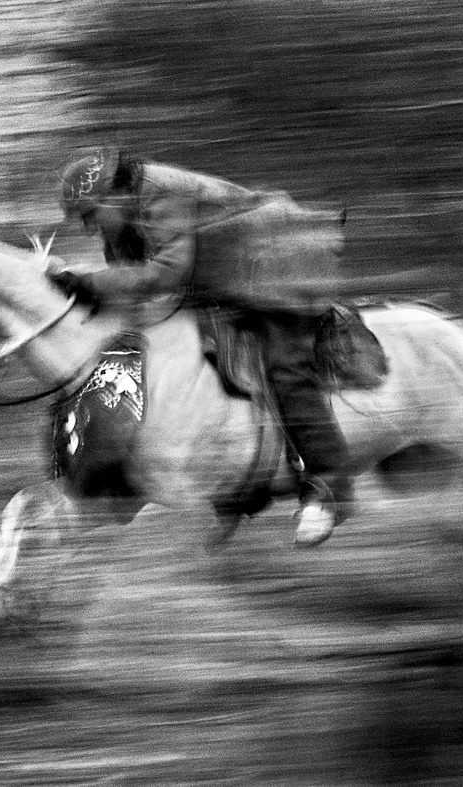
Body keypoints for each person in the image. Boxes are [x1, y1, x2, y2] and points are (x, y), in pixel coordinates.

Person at [49, 147, 351, 546]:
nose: (89, 228)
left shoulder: (161, 193)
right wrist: (79, 290)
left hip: (280, 263)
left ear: (112, 198)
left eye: (90, 215)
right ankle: (234, 488)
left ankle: (329, 490)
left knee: (285, 367)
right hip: (225, 279)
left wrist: (87, 283)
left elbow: (166, 273)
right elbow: (128, 283)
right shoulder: (121, 215)